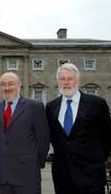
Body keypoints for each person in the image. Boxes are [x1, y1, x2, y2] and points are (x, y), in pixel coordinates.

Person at [46, 63, 111, 194]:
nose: (66, 82)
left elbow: (107, 137)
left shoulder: (97, 104)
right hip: (62, 176)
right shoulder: (51, 107)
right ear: (58, 82)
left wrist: (97, 160)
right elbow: (53, 138)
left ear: (78, 81)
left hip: (91, 175)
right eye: (62, 79)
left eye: (70, 78)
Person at [0, 72, 50, 194]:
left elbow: (43, 139)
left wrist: (37, 163)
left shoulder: (35, 107)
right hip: (3, 176)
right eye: (3, 84)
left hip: (27, 174)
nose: (7, 88)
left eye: (11, 84)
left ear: (19, 85)